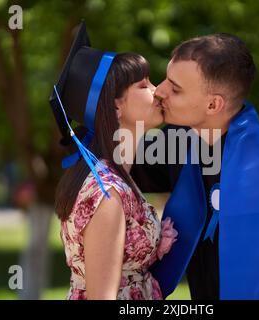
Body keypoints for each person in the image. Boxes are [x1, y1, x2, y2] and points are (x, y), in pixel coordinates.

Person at [131, 33, 259, 300]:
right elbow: (122, 163)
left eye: (175, 88)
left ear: (213, 104)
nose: (159, 91)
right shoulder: (178, 145)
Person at [49, 22, 177, 300]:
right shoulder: (107, 194)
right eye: (144, 85)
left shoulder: (119, 178)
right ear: (116, 105)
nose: (158, 91)